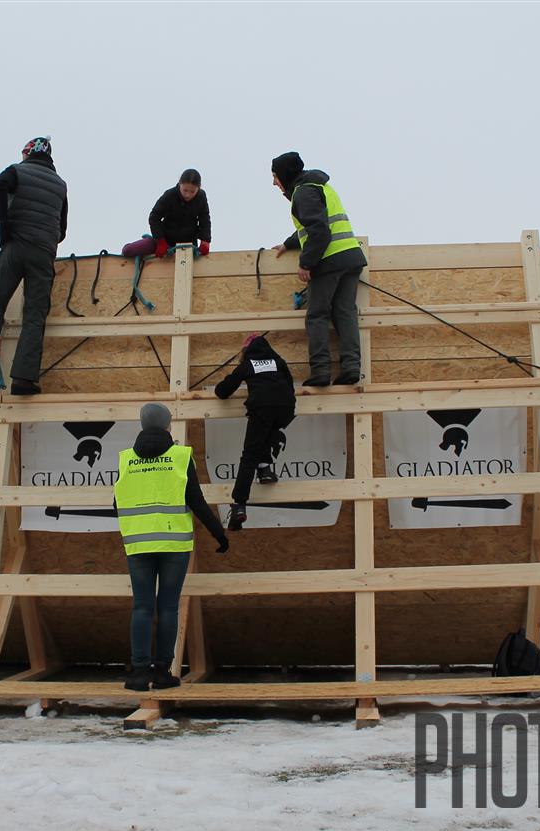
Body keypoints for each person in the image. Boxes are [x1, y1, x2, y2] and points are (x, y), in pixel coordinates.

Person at [113, 403, 229, 691]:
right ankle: (163, 673)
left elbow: (117, 503)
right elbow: (196, 501)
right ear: (167, 424)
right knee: (167, 607)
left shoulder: (126, 459)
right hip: (174, 543)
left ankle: (139, 673)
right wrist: (219, 534)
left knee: (142, 607)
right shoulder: (179, 456)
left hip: (138, 543)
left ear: (142, 424)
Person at [0, 136, 69, 397]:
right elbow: (62, 229)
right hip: (43, 254)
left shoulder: (17, 171)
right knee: (35, 314)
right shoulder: (60, 185)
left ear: (28, 152)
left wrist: (5, 224)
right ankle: (23, 379)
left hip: (15, 247)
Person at [270, 151, 367, 387]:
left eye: (275, 176)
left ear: (285, 174)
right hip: (350, 256)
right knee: (345, 312)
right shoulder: (318, 185)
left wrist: (306, 263)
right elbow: (315, 224)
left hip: (330, 260)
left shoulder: (303, 192)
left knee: (317, 315)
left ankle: (321, 371)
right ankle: (351, 367)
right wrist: (289, 243)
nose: (274, 182)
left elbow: (320, 231)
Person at [214, 334, 296, 531]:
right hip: (286, 409)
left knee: (249, 455)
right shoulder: (278, 361)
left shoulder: (248, 364)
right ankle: (265, 469)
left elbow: (224, 391)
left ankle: (239, 505)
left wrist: (219, 389)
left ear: (246, 350)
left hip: (262, 408)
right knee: (267, 432)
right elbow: (290, 385)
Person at [144, 169, 211, 259]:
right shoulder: (170, 195)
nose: (188, 195)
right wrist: (160, 241)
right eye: (185, 190)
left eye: (192, 192)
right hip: (167, 240)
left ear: (198, 188)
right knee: (133, 250)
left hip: (189, 242)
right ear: (180, 184)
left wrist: (205, 241)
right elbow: (154, 217)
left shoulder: (201, 197)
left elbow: (204, 218)